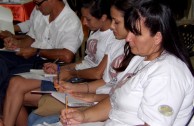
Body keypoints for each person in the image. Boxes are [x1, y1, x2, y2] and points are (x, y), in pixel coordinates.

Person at [59, 0, 194, 125]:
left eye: (136, 33)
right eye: (129, 30)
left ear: (157, 37)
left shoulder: (167, 73)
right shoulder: (145, 60)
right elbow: (115, 102)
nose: (128, 38)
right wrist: (83, 116)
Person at [2, 0, 125, 125]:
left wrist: (70, 73)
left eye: (88, 19)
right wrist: (61, 68)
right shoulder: (96, 31)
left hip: (83, 81)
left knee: (15, 89)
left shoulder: (114, 37)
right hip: (76, 75)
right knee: (14, 87)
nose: (84, 22)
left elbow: (97, 73)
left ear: (103, 18)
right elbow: (86, 61)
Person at [1, 0, 83, 126]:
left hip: (48, 63)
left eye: (38, 3)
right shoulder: (40, 10)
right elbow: (31, 38)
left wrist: (37, 51)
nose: (37, 8)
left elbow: (67, 55)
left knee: (10, 80)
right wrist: (16, 43)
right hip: (32, 55)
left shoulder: (71, 21)